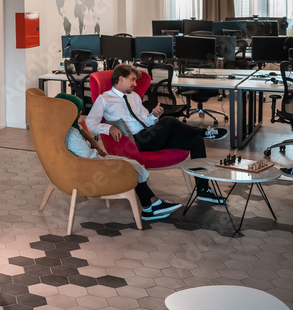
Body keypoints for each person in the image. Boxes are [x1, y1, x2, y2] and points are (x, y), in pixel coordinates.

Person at [86, 63, 225, 204]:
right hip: (137, 142)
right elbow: (90, 123)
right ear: (121, 78)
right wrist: (108, 128)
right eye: (132, 80)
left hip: (149, 136)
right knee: (168, 121)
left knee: (195, 141)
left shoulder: (134, 96)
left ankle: (203, 190)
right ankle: (203, 132)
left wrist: (153, 115)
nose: (135, 84)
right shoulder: (104, 99)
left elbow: (146, 121)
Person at [56, 93, 181, 222]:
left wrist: (98, 148)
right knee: (129, 166)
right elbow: (87, 156)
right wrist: (101, 155)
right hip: (90, 166)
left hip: (93, 160)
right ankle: (150, 206)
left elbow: (85, 134)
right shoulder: (71, 133)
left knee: (131, 163)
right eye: (78, 110)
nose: (81, 112)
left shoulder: (72, 126)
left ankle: (150, 206)